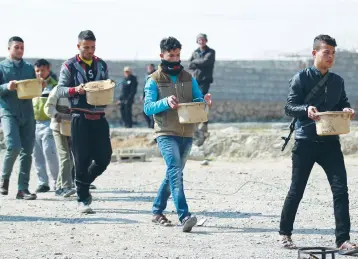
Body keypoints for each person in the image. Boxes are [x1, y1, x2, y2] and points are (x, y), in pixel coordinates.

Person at [279, 34, 358, 255]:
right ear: (315, 53)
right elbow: (289, 107)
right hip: (305, 141)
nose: (330, 56)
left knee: (341, 190)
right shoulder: (300, 78)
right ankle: (285, 233)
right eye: (326, 52)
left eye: (333, 53)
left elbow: (343, 103)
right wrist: (306, 110)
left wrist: (346, 110)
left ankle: (343, 240)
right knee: (297, 189)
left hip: (331, 141)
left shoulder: (337, 81)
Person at [144, 36, 212, 232]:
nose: (175, 59)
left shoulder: (188, 77)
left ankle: (157, 211)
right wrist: (165, 102)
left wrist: (205, 101)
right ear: (162, 55)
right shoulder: (153, 80)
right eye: (171, 55)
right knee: (175, 170)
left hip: (186, 132)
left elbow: (197, 98)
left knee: (173, 173)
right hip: (165, 132)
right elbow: (148, 108)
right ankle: (185, 215)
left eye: (177, 55)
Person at [56, 30, 112, 213]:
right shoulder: (69, 65)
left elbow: (106, 85)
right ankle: (82, 199)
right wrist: (75, 90)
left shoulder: (101, 65)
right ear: (78, 46)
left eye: (93, 47)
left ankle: (83, 185)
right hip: (79, 117)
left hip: (99, 116)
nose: (90, 50)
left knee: (104, 157)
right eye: (86, 47)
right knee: (81, 159)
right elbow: (60, 90)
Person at [0, 36, 37, 200]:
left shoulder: (29, 68)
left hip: (27, 113)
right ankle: (4, 178)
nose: (20, 50)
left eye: (22, 47)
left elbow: (33, 88)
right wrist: (6, 86)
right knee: (13, 146)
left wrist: (39, 85)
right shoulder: (1, 67)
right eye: (17, 47)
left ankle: (23, 189)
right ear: (9, 49)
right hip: (8, 112)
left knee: (27, 152)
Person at [44, 84, 76, 197]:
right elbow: (48, 107)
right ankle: (66, 187)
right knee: (64, 156)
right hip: (58, 127)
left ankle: (58, 187)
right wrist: (57, 114)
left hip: (72, 127)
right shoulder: (58, 89)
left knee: (70, 159)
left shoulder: (78, 89)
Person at [32, 59, 60, 193]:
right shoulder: (31, 85)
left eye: (42, 70)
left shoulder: (55, 85)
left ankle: (56, 181)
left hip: (49, 123)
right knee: (37, 155)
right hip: (34, 123)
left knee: (49, 152)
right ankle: (43, 182)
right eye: (37, 70)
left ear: (48, 69)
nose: (40, 73)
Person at [189, 33, 215, 146]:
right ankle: (196, 123)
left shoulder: (211, 52)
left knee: (203, 101)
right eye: (199, 40)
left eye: (203, 40)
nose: (201, 41)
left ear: (206, 41)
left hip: (205, 80)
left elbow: (206, 62)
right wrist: (196, 62)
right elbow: (190, 64)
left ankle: (204, 123)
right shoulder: (195, 52)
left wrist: (196, 62)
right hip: (196, 80)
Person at [142, 64, 155, 128]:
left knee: (153, 112)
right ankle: (150, 124)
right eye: (148, 67)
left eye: (150, 67)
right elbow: (145, 87)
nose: (149, 68)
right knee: (144, 111)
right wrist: (143, 96)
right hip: (147, 95)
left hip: (154, 95)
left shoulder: (156, 74)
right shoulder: (146, 75)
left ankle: (152, 125)